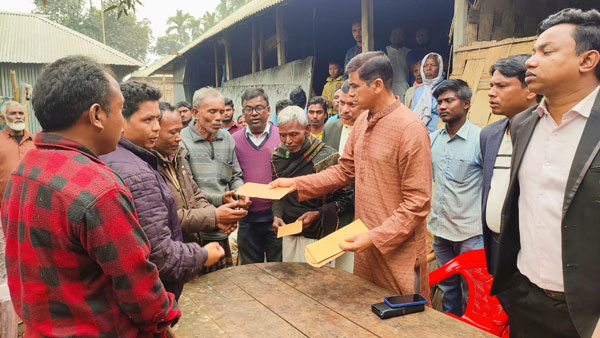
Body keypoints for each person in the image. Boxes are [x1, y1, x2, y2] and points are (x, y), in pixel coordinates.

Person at [0, 55, 181, 337]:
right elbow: (141, 292)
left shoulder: (26, 167)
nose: (121, 122)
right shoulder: (99, 188)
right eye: (120, 110)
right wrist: (167, 311)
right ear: (97, 115)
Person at [271, 51, 432, 297]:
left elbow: (417, 203)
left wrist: (375, 237)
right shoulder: (363, 121)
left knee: (401, 318)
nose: (350, 93)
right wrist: (295, 183)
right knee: (366, 310)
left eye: (355, 86)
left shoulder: (410, 129)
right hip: (364, 241)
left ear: (377, 85)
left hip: (397, 248)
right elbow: (345, 170)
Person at [491, 8, 600, 338]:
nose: (530, 61)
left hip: (586, 314)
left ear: (588, 60)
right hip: (525, 299)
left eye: (547, 52)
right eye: (533, 51)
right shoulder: (523, 124)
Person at [101, 81, 222, 300]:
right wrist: (203, 253)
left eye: (157, 119)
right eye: (148, 120)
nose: (156, 127)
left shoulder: (163, 157)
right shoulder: (138, 170)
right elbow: (160, 255)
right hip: (160, 282)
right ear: (121, 120)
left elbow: (194, 192)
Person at [153, 102, 247, 272]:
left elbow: (195, 194)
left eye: (179, 131)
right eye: (172, 132)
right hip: (175, 251)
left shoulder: (176, 156)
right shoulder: (149, 166)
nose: (178, 138)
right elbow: (169, 217)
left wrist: (218, 216)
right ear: (153, 130)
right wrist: (215, 215)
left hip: (198, 237)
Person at [480, 55, 539, 315]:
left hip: (530, 250)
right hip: (496, 246)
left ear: (530, 90)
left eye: (502, 86)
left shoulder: (545, 133)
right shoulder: (490, 135)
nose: (492, 93)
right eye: (492, 86)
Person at [271, 106, 354, 267]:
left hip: (320, 236)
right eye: (283, 135)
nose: (288, 141)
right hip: (289, 233)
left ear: (307, 129)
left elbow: (348, 198)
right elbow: (277, 195)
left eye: (294, 134)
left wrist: (317, 213)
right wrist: (276, 215)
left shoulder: (327, 156)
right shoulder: (278, 157)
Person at [428, 79, 483, 316]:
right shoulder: (433, 140)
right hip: (440, 231)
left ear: (466, 103)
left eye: (449, 100)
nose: (442, 106)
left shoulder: (481, 140)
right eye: (439, 102)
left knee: (473, 290)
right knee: (447, 288)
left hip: (470, 233)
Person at [181, 87, 250, 267]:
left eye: (222, 111)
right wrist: (221, 199)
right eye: (212, 112)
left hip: (225, 226)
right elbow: (188, 191)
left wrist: (241, 193)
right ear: (195, 113)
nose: (219, 117)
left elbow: (235, 174)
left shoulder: (226, 138)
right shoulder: (181, 141)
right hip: (198, 229)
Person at [232, 88, 282, 264]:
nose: (254, 113)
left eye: (259, 108)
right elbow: (232, 175)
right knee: (250, 273)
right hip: (247, 219)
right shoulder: (234, 140)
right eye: (248, 109)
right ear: (243, 112)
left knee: (280, 271)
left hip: (277, 218)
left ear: (268, 110)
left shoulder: (282, 137)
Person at [0, 101, 34, 202]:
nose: (18, 116)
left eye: (21, 113)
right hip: (4, 206)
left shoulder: (36, 141)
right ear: (3, 119)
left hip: (32, 204)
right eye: (13, 113)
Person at [322, 80, 364, 155]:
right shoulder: (329, 129)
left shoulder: (372, 131)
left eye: (352, 104)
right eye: (342, 103)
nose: (344, 110)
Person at [411, 52, 444, 133]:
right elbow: (412, 115)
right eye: (425, 66)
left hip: (438, 135)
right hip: (419, 135)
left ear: (440, 68)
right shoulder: (418, 91)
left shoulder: (445, 88)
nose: (428, 68)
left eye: (433, 65)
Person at [386, 27, 411, 100]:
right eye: (394, 34)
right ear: (390, 36)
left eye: (400, 34)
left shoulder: (408, 52)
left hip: (405, 89)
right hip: (390, 90)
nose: (397, 36)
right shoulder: (385, 51)